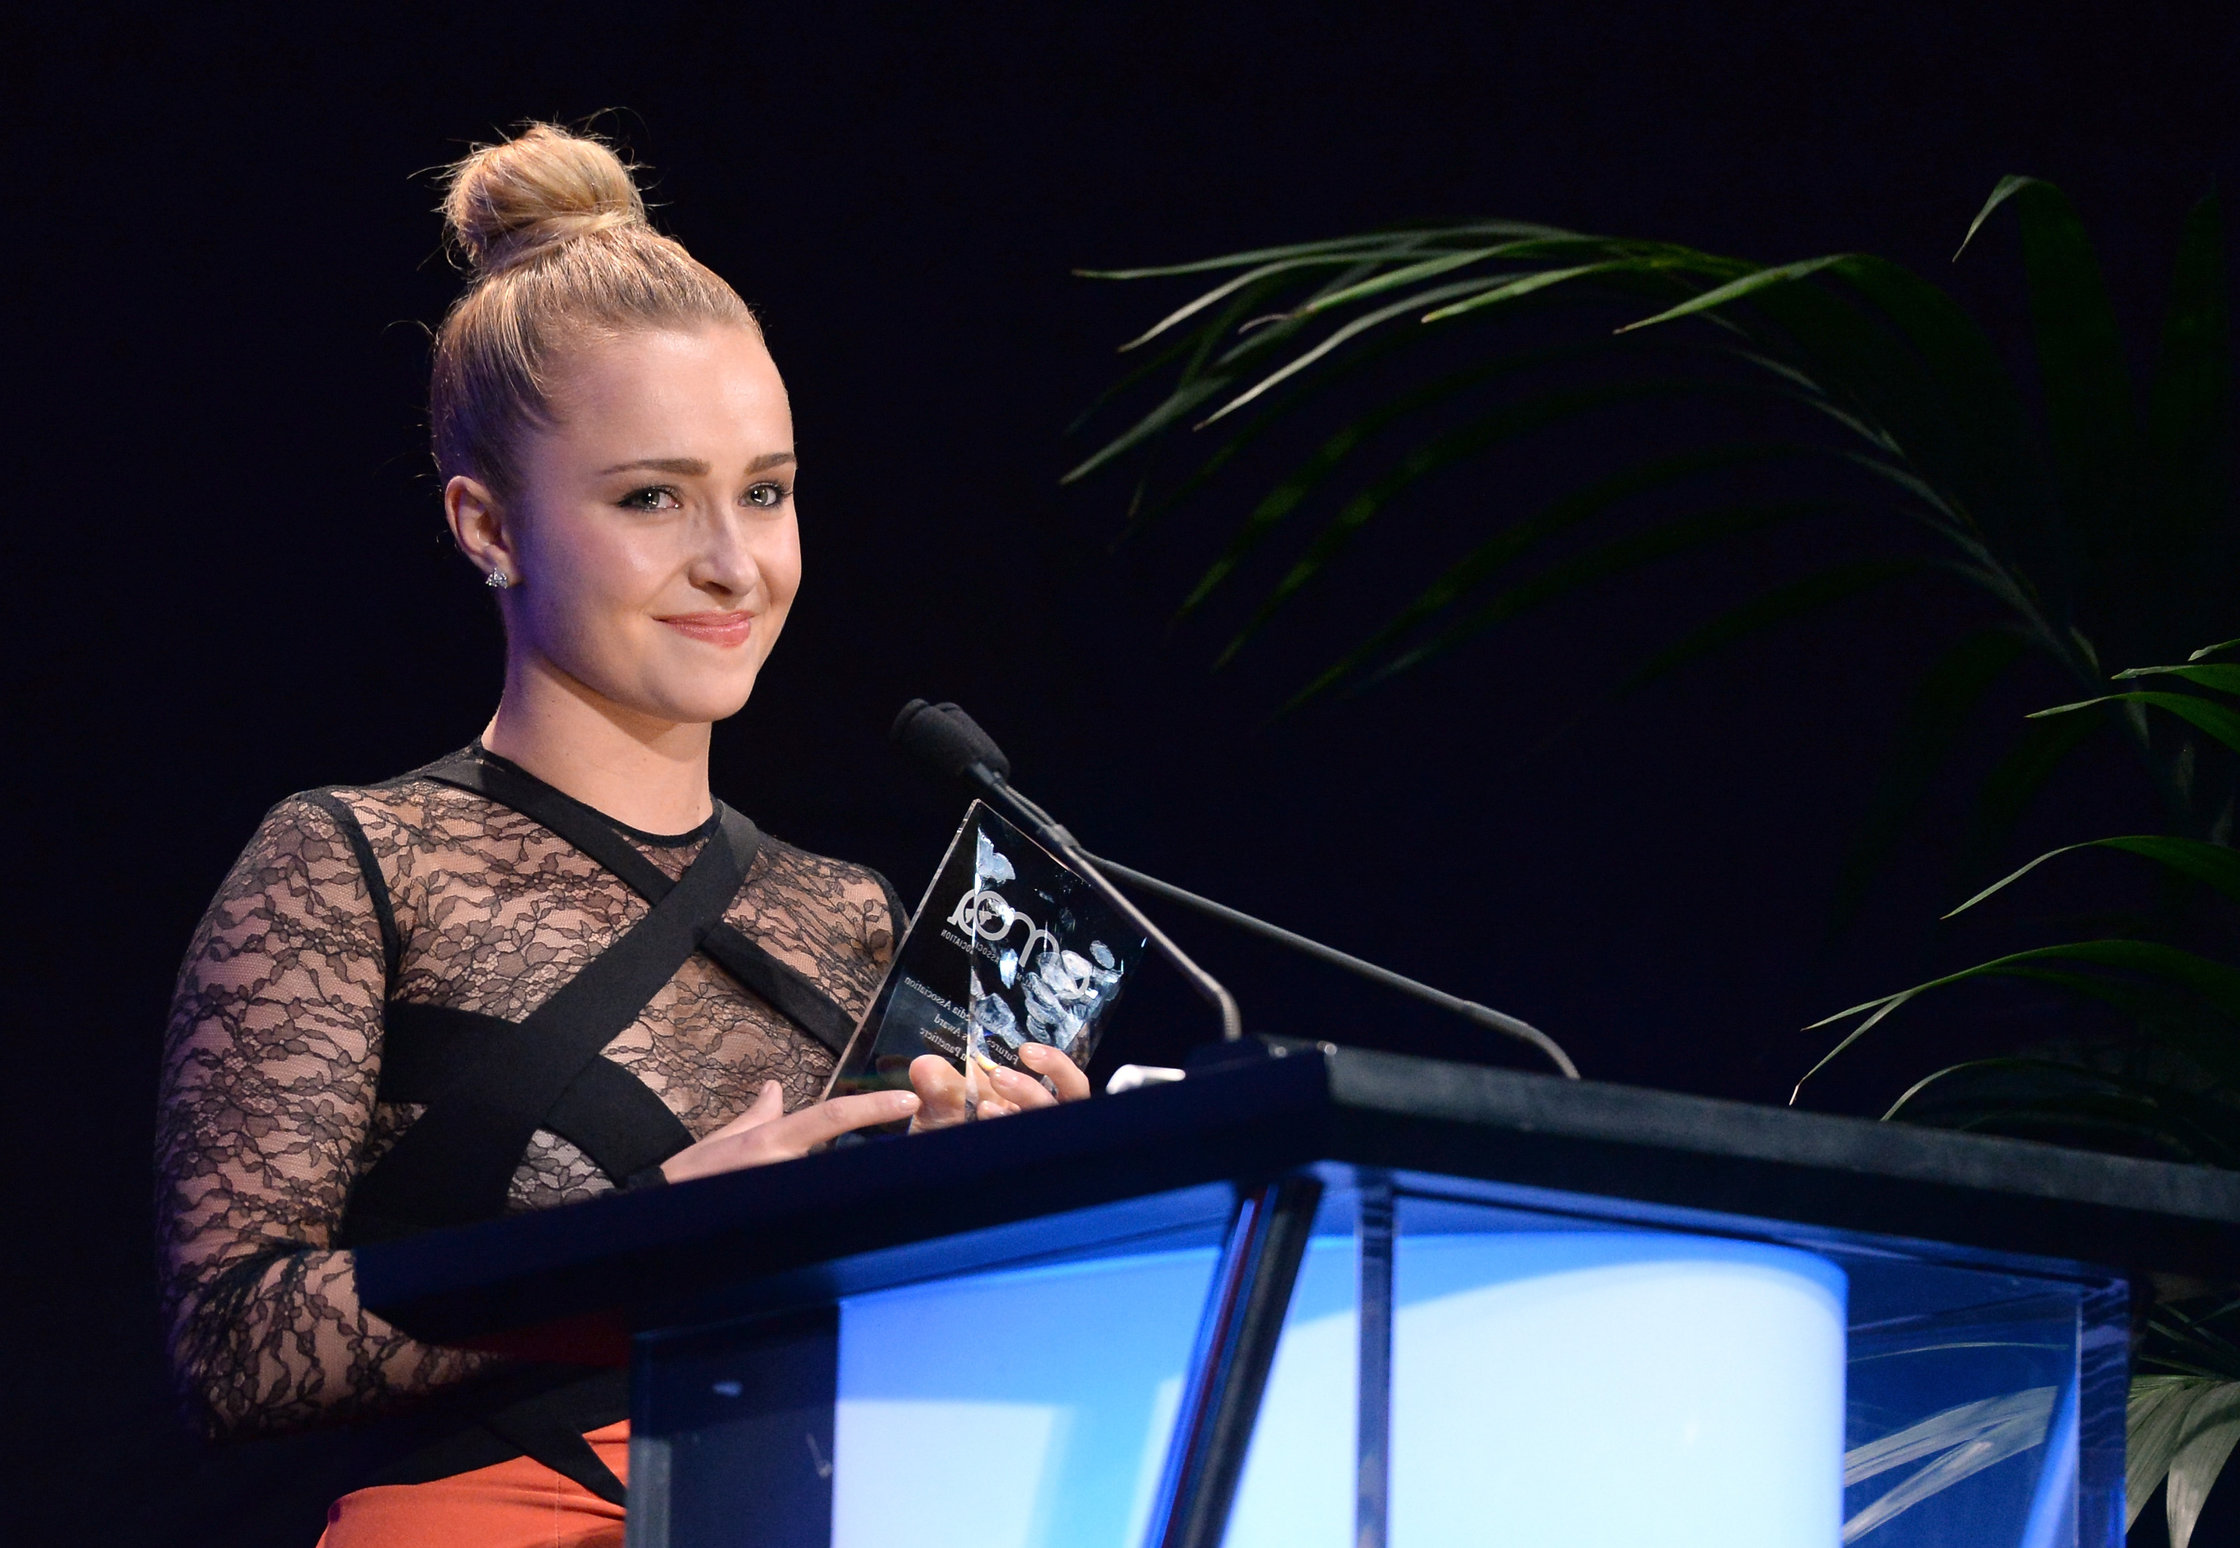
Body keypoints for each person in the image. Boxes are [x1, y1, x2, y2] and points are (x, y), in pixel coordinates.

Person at [153, 122, 1089, 1548]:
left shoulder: (847, 913)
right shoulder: (352, 863)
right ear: (488, 526)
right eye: (652, 497)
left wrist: (1027, 1206)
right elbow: (230, 1344)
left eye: (764, 492)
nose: (734, 563)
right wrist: (651, 1233)